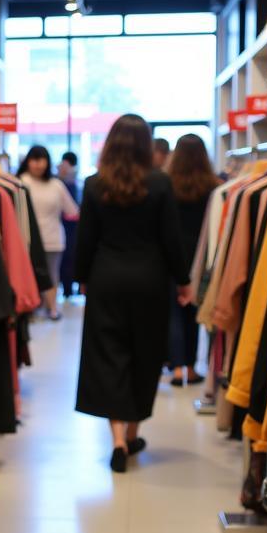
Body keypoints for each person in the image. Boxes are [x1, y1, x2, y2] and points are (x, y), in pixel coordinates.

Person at [75, 114, 192, 473]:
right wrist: (183, 280)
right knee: (145, 354)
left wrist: (82, 279)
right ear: (145, 145)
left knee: (108, 356)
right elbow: (172, 239)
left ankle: (117, 442)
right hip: (149, 281)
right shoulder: (159, 183)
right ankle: (133, 430)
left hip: (106, 278)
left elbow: (85, 241)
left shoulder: (95, 185)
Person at [165, 134, 219, 386]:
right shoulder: (214, 186)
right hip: (202, 256)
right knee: (195, 311)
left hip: (171, 254)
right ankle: (190, 367)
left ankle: (176, 368)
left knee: (174, 311)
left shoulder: (166, 185)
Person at [18, 144, 79, 320]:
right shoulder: (21, 182)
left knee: (52, 275)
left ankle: (52, 308)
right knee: (29, 275)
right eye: (34, 159)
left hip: (53, 238)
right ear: (28, 161)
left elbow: (72, 210)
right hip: (27, 239)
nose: (38, 164)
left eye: (42, 159)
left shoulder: (56, 185)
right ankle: (32, 308)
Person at [57, 152, 81, 299]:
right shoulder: (75, 179)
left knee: (67, 257)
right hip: (72, 225)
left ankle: (68, 289)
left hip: (68, 224)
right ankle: (69, 288)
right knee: (69, 257)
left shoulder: (65, 180)